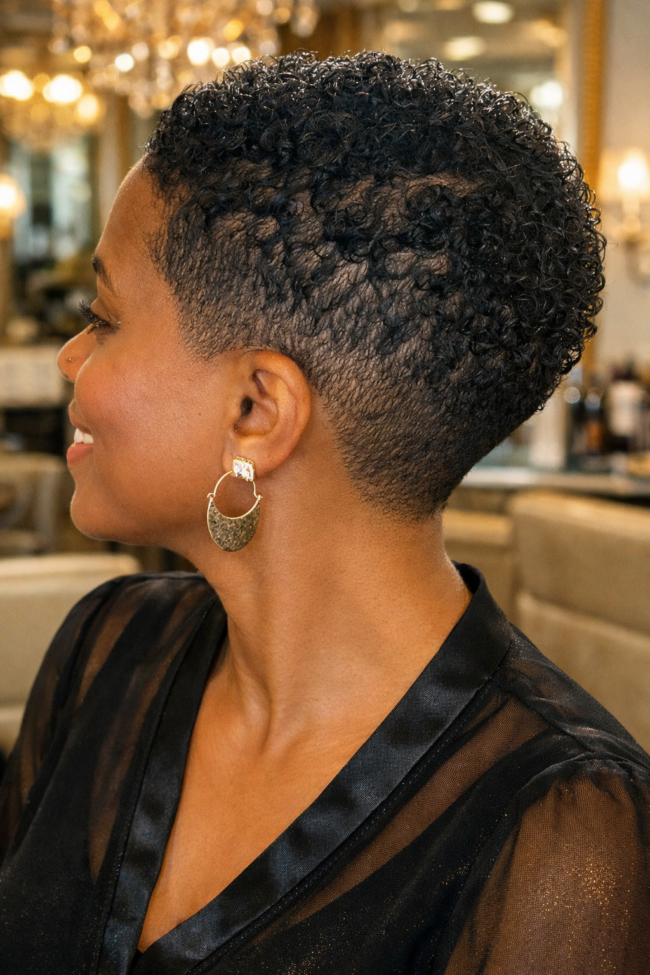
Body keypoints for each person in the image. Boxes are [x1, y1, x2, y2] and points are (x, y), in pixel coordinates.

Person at [0, 52, 648, 975]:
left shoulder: (564, 835)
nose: (72, 357)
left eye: (103, 318)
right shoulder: (106, 648)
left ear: (256, 411)